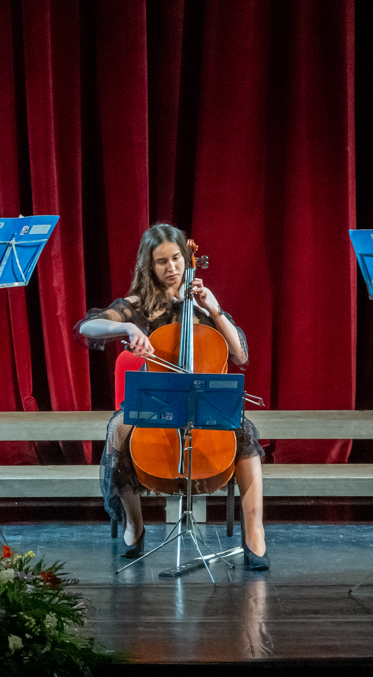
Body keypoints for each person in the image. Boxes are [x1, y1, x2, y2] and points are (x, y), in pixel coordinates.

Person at [73, 223, 269, 570]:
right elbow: (87, 327)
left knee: (245, 430)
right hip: (156, 402)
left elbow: (240, 355)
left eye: (177, 258)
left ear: (186, 259)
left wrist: (214, 310)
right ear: (149, 265)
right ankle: (135, 525)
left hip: (202, 402)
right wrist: (127, 327)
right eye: (162, 261)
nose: (172, 268)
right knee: (118, 428)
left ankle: (254, 533)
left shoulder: (202, 306)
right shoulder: (137, 306)